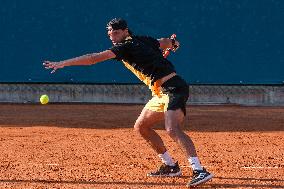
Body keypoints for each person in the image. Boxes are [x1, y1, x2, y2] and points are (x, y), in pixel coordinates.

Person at [43, 18, 213, 187]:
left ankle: (199, 170)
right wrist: (174, 43)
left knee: (172, 128)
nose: (112, 37)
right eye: (110, 34)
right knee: (141, 127)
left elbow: (93, 58)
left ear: (125, 31)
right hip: (159, 93)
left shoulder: (125, 47)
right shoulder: (143, 40)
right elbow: (165, 42)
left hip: (174, 89)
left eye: (116, 33)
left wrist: (63, 64)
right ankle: (170, 165)